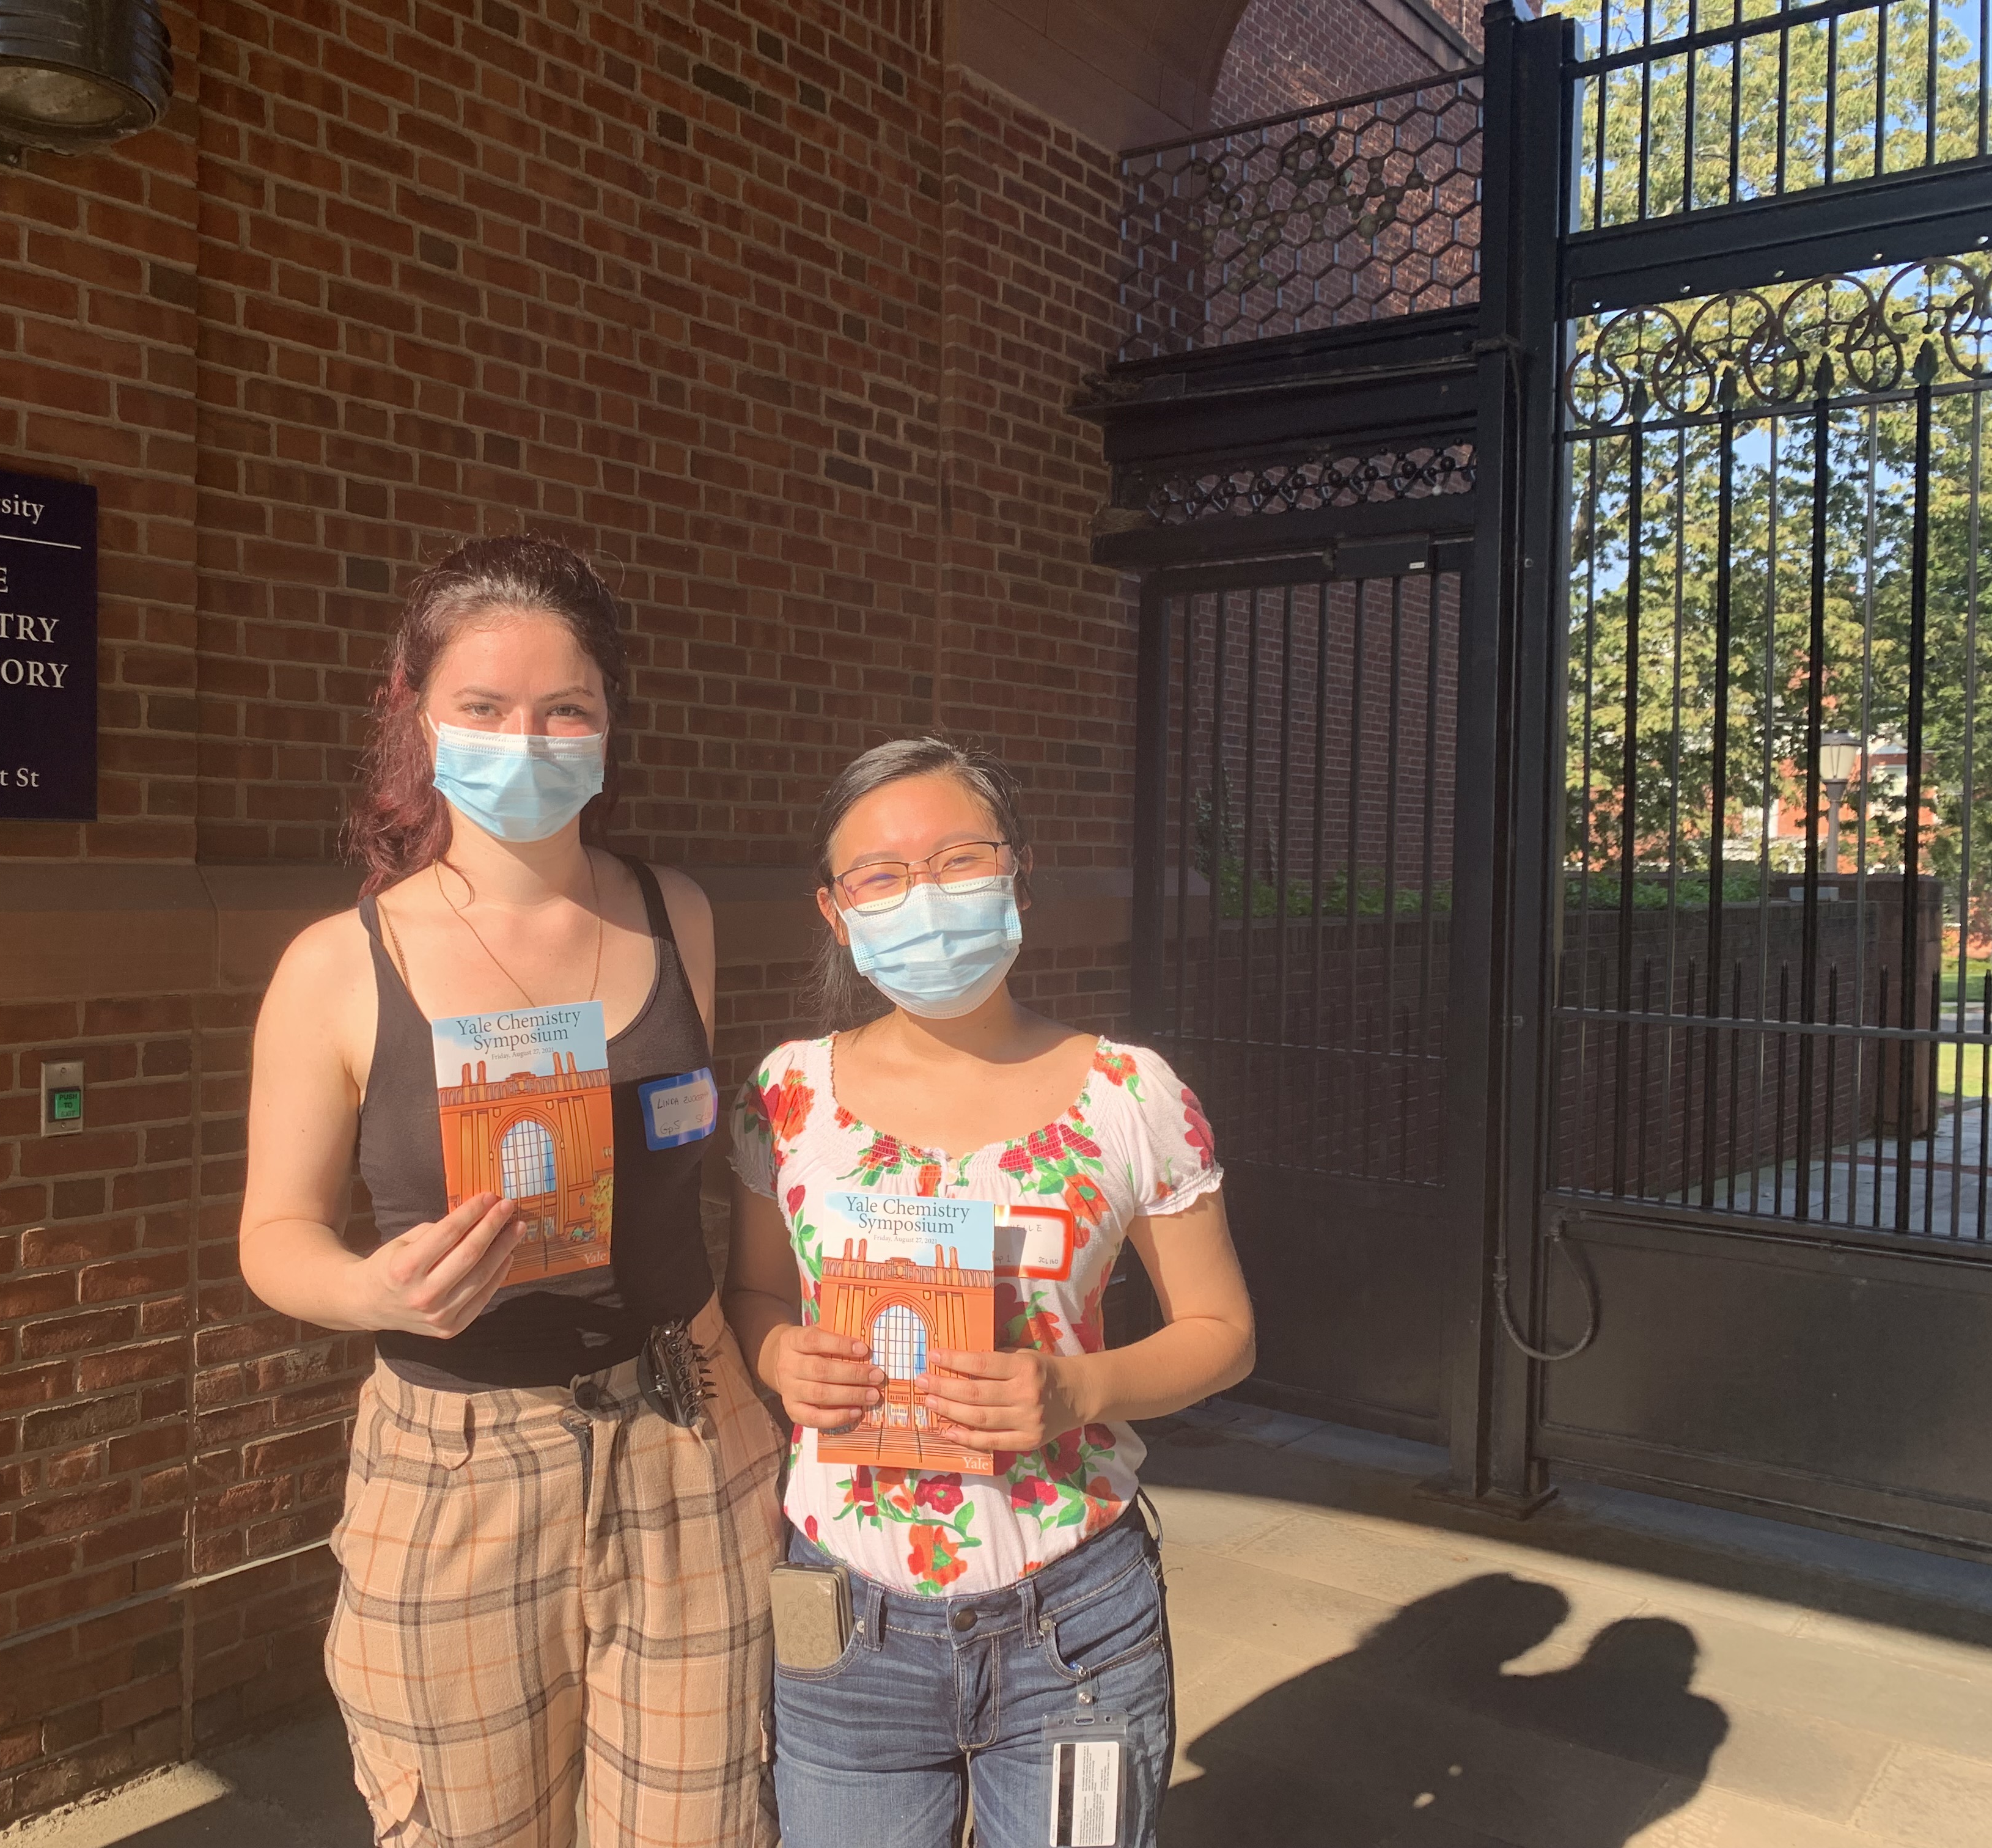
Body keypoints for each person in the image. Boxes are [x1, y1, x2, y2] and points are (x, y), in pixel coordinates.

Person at [239, 535, 785, 1848]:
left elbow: (704, 1161)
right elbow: (274, 1235)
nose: (525, 740)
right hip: (459, 1473)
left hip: (689, 1438)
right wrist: (371, 1287)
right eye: (482, 709)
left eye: (565, 710)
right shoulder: (336, 965)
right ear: (418, 720)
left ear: (610, 726)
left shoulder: (679, 920)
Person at [724, 736, 1257, 1848]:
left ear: (1016, 875)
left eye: (959, 858)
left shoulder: (1129, 1093)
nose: (923, 896)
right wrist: (780, 1357)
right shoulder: (788, 1097)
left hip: (1075, 1628)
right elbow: (757, 1296)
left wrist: (1080, 1386)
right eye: (881, 874)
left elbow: (1224, 1334)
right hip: (847, 1623)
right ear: (836, 911)